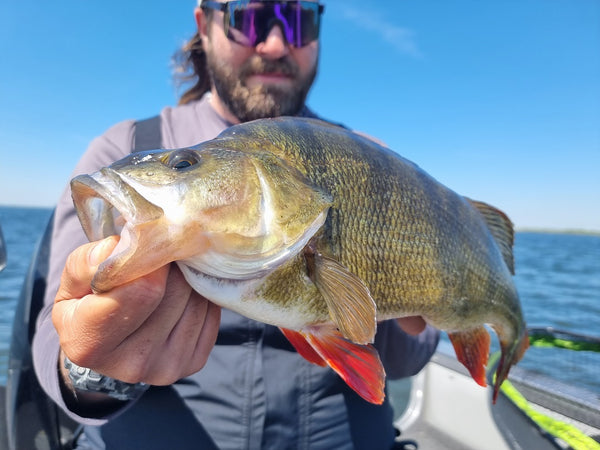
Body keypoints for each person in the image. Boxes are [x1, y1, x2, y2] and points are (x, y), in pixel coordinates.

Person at [33, 1, 440, 448]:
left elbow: (409, 360)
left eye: (298, 21)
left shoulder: (372, 161)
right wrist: (96, 364)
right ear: (203, 25)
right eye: (248, 18)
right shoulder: (125, 147)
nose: (275, 43)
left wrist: (403, 302)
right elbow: (55, 345)